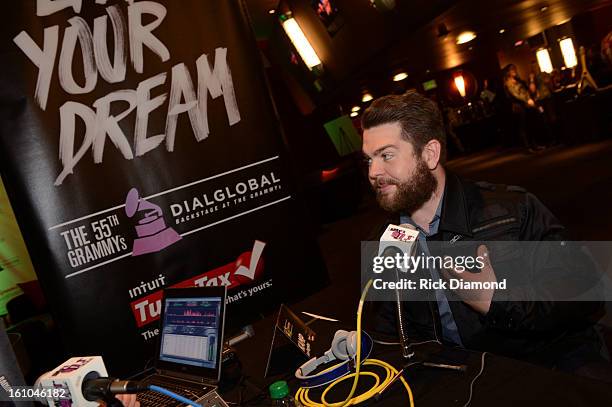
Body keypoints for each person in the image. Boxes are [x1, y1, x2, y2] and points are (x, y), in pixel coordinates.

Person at [361, 91, 610, 381]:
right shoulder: (386, 240)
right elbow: (390, 327)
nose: (374, 172)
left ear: (429, 154)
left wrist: (498, 301)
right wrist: (364, 343)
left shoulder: (512, 209)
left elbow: (585, 295)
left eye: (386, 155)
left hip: (541, 367)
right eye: (368, 160)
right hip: (461, 380)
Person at [502, 64, 541, 152]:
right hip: (519, 106)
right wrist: (526, 100)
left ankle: (534, 145)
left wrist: (529, 98)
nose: (514, 71)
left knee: (529, 125)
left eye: (515, 69)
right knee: (523, 127)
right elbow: (515, 95)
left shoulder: (518, 80)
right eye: (512, 70)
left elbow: (525, 91)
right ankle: (527, 147)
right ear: (508, 72)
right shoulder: (508, 83)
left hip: (525, 104)